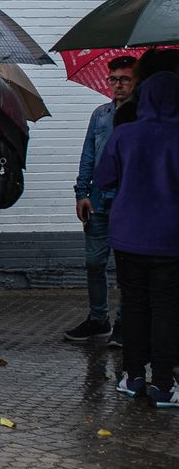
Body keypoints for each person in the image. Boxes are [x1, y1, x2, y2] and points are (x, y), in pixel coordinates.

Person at [94, 70, 179, 408]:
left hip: (127, 236)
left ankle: (132, 377)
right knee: (166, 309)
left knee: (135, 306)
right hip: (170, 239)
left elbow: (103, 178)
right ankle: (164, 384)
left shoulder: (124, 134)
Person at [62, 55, 136, 345]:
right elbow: (88, 156)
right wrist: (81, 193)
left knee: (126, 266)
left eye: (125, 79)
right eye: (113, 79)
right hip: (98, 201)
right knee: (94, 263)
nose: (117, 85)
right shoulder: (100, 114)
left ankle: (124, 323)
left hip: (127, 203)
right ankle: (98, 319)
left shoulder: (141, 116)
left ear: (136, 81)